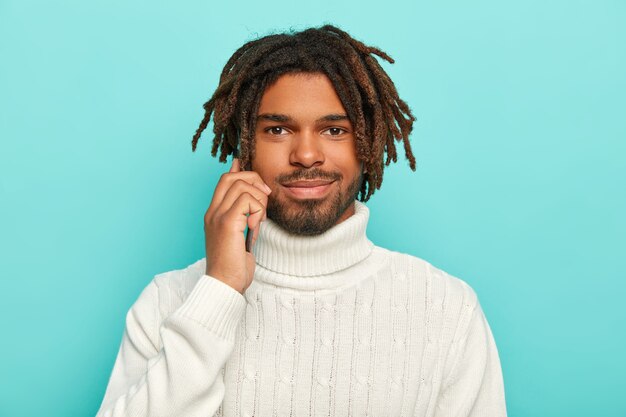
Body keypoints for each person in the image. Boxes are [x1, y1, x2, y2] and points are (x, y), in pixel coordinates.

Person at [96, 24, 507, 417]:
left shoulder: (447, 308)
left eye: (334, 130)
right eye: (277, 129)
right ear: (245, 148)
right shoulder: (168, 301)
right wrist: (219, 290)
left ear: (368, 144)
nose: (306, 155)